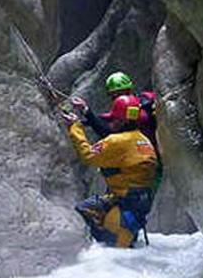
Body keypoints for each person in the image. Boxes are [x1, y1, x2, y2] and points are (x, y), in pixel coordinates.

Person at [62, 94, 157, 248]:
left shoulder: (117, 141)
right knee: (89, 208)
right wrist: (86, 111)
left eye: (114, 119)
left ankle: (100, 239)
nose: (111, 123)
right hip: (137, 206)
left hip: (123, 206)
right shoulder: (143, 140)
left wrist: (75, 127)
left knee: (86, 211)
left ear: (122, 121)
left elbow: (88, 155)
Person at [71, 71, 158, 151]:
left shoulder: (135, 113)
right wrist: (83, 117)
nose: (116, 99)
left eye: (116, 95)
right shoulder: (144, 100)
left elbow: (108, 131)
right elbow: (108, 118)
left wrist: (86, 113)